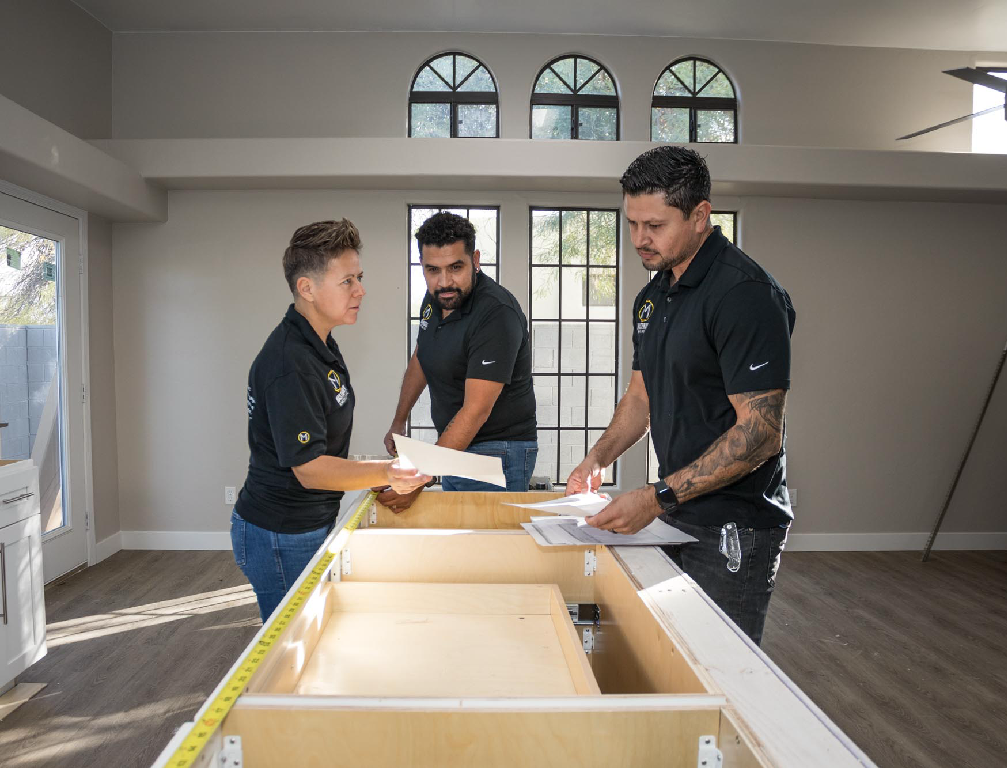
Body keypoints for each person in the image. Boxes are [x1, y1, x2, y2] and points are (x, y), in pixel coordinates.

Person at [566, 147, 796, 645]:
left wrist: (656, 496)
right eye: (632, 223)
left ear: (699, 215)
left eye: (654, 225)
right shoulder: (653, 296)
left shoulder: (745, 294)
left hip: (733, 527)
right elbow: (640, 398)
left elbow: (761, 433)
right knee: (668, 656)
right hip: (675, 514)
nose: (639, 239)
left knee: (717, 668)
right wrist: (597, 460)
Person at [232, 219, 429, 621]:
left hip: (307, 521)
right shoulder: (291, 363)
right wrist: (387, 472)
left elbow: (320, 447)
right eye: (347, 281)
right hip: (281, 533)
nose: (360, 290)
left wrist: (378, 470)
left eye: (360, 278)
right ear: (307, 288)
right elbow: (310, 470)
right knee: (293, 644)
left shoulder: (319, 344)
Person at [378, 211, 537, 511]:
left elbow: (476, 410)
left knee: (487, 539)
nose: (444, 282)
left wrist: (418, 480)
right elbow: (422, 356)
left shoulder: (496, 313)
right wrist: (399, 421)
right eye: (433, 270)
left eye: (455, 267)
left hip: (496, 452)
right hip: (454, 446)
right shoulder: (436, 299)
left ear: (475, 260)